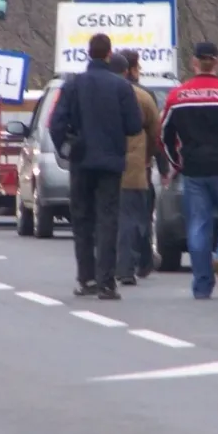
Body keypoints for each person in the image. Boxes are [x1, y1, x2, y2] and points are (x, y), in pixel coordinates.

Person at [159, 42, 218, 298]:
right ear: (217, 62)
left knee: (198, 225)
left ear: (194, 63)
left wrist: (176, 162)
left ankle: (202, 285)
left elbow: (164, 136)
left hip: (193, 169)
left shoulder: (177, 97)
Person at [49, 33, 143, 300]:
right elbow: (135, 125)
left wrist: (67, 148)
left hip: (81, 160)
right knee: (108, 219)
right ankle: (106, 282)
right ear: (109, 54)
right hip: (111, 162)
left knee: (82, 220)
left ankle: (86, 278)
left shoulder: (73, 85)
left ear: (88, 53)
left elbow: (56, 123)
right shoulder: (121, 87)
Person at [110, 50, 164, 284]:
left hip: (102, 166)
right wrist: (150, 159)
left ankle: (132, 261)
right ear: (129, 69)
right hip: (134, 166)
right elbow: (156, 134)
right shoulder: (142, 96)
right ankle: (130, 264)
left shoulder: (98, 93)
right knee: (135, 216)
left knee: (110, 217)